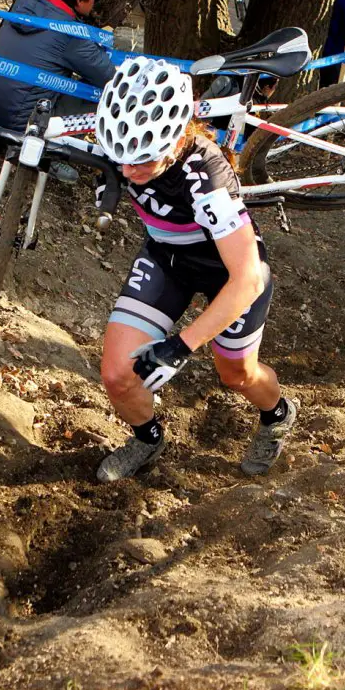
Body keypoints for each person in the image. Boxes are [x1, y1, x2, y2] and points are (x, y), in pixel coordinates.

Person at [93, 57, 296, 483]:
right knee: (117, 374)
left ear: (174, 138)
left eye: (142, 161)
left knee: (237, 375)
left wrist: (180, 347)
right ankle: (147, 441)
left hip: (230, 276)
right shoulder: (122, 137)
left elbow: (248, 278)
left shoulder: (207, 176)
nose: (129, 173)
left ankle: (277, 414)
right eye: (120, 159)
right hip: (167, 261)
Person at [0, 0, 116, 183]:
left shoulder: (25, 3)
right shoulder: (71, 33)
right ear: (79, 0)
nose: (94, 2)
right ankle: (52, 153)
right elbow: (108, 77)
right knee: (102, 92)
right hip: (22, 126)